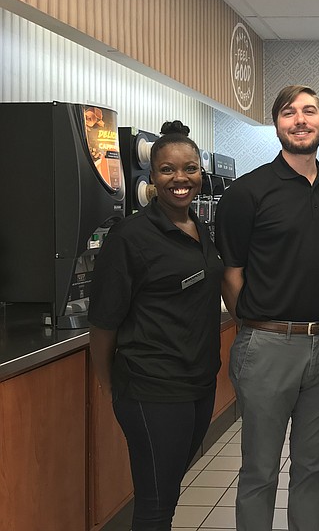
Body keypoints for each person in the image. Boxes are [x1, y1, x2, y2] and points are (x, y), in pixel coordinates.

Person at [214, 85, 319, 531]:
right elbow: (231, 274)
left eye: (310, 111)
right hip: (267, 346)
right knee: (260, 471)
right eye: (289, 113)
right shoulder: (247, 193)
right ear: (277, 124)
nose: (300, 120)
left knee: (313, 467)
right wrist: (256, 328)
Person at [88, 120, 223, 531]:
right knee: (155, 503)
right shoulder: (131, 236)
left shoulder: (198, 228)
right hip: (152, 387)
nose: (180, 179)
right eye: (168, 170)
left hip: (198, 383)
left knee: (169, 488)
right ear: (152, 174)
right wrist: (108, 384)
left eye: (190, 168)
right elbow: (103, 321)